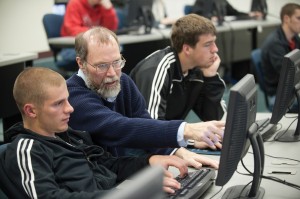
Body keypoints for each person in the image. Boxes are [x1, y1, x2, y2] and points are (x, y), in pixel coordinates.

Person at [3, 66, 190, 198]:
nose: (70, 109)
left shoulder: (71, 136)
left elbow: (107, 164)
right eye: (58, 103)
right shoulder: (27, 149)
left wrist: (148, 162)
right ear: (31, 111)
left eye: (67, 100)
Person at [66, 26, 223, 168]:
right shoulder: (72, 96)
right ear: (81, 63)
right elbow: (118, 127)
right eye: (102, 66)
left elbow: (144, 120)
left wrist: (176, 151)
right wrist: (184, 129)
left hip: (119, 170)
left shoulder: (123, 81)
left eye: (116, 62)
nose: (112, 73)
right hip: (93, 181)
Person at [130, 14, 226, 123]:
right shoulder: (159, 69)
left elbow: (217, 119)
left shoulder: (196, 70)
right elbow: (150, 129)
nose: (215, 49)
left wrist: (210, 77)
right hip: (134, 138)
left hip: (167, 136)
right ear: (187, 49)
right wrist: (188, 134)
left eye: (214, 42)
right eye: (207, 44)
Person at [261, 3, 300, 112]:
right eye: (298, 18)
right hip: (279, 93)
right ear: (286, 19)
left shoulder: (294, 38)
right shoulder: (275, 43)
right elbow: (289, 75)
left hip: (292, 87)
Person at [59, 0, 119, 71]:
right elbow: (72, 29)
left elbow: (111, 28)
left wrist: (108, 10)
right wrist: (97, 33)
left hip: (96, 45)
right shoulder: (75, 3)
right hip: (73, 47)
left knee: (117, 49)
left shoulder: (101, 5)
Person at [191, 0, 264, 23]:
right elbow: (195, 16)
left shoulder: (222, 1)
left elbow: (234, 12)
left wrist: (249, 14)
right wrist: (211, 18)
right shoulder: (201, 1)